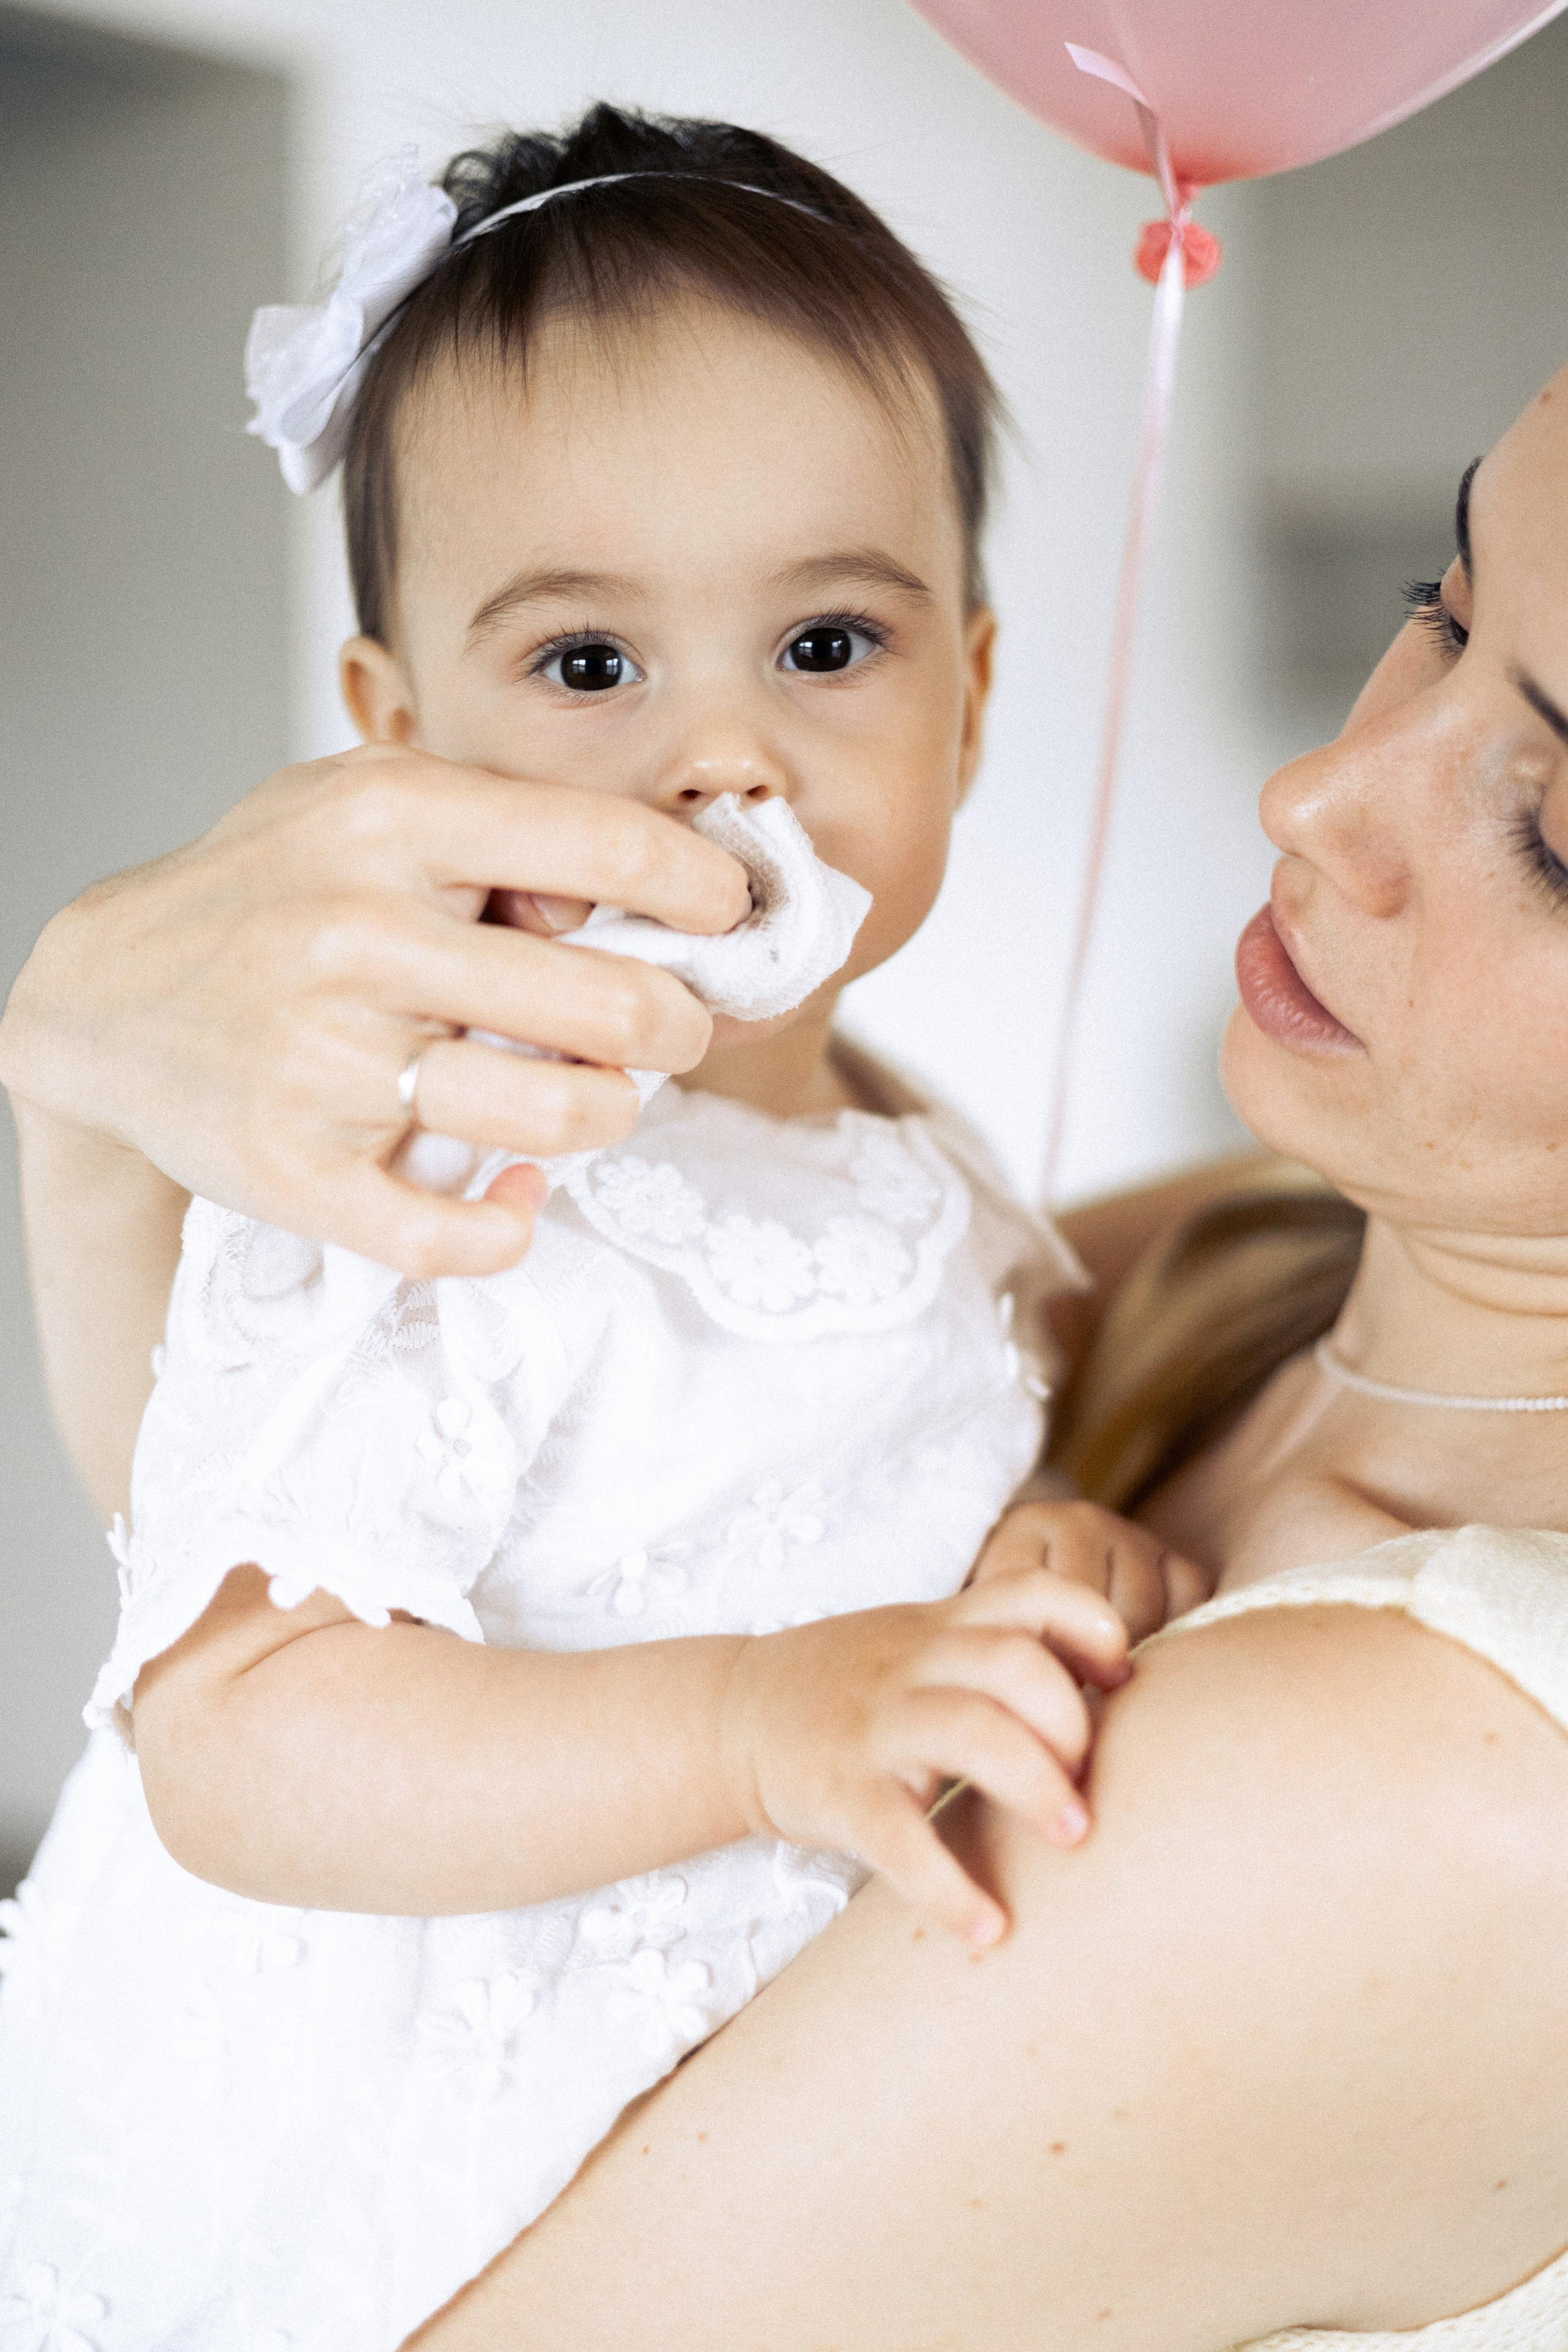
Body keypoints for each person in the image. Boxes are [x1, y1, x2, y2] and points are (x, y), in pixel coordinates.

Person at [15, 125, 1568, 2352]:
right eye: (583, 668)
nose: (720, 761)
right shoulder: (442, 1173)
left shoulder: (1434, 1762)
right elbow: (233, 1719)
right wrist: (972, 1584)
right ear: (390, 739)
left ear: (974, 695)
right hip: (300, 2177)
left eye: (826, 642)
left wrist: (927, 1608)